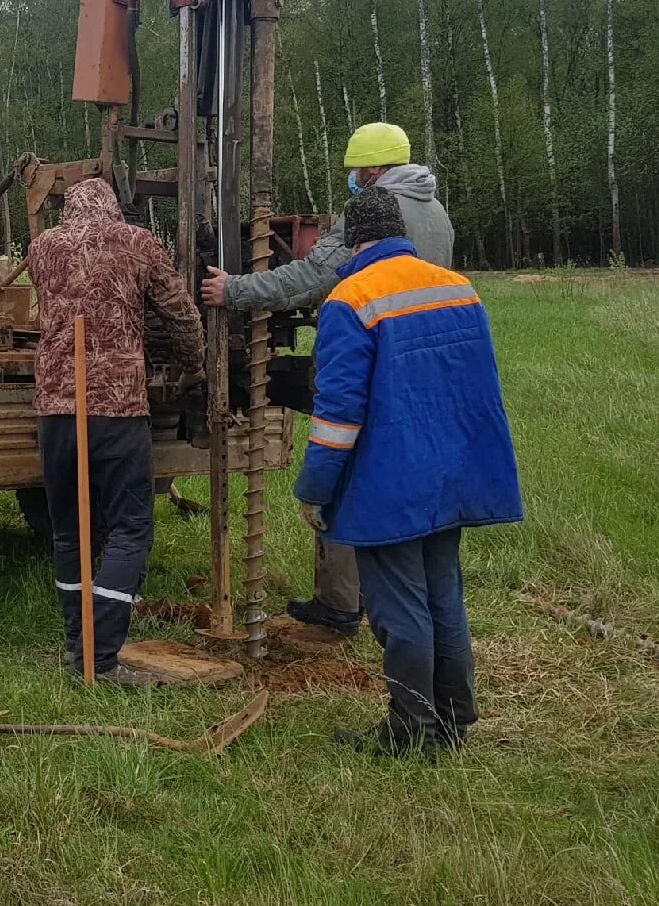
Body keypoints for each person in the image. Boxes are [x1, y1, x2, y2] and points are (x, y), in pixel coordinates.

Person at [199, 121, 454, 640]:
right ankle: (367, 596)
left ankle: (344, 603)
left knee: (346, 471)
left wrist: (237, 289)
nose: (355, 181)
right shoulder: (436, 213)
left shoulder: (373, 213)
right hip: (421, 367)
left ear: (376, 169)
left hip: (368, 358)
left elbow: (312, 277)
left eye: (359, 171)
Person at [295, 187, 521, 756]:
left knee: (400, 612)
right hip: (455, 474)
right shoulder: (457, 288)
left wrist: (315, 489)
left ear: (353, 239)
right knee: (444, 597)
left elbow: (339, 413)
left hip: (390, 483)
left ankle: (409, 731)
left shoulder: (351, 299)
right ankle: (454, 720)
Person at [28, 178, 204, 686]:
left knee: (70, 532)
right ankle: (99, 657)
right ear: (113, 207)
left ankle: (75, 642)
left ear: (69, 210)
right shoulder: (137, 242)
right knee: (130, 529)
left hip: (56, 408)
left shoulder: (42, 248)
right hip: (118, 406)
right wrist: (193, 365)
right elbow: (181, 313)